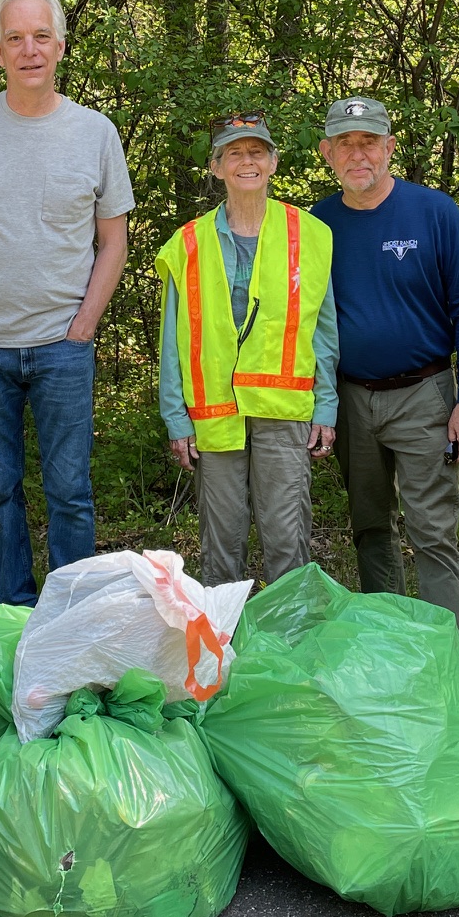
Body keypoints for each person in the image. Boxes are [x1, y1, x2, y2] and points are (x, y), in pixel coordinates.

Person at [0, 0, 133, 605]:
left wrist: (85, 323)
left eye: (41, 36)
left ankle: (70, 614)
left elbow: (114, 241)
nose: (29, 49)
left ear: (61, 46)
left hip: (63, 345)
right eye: (14, 38)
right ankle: (15, 610)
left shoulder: (95, 132)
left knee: (70, 492)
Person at [312, 97, 459, 633]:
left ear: (389, 147)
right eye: (345, 143)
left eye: (369, 142)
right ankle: (388, 647)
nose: (357, 153)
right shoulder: (317, 224)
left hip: (424, 394)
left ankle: (443, 657)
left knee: (432, 529)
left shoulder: (434, 212)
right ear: (326, 153)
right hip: (350, 397)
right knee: (369, 525)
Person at [156, 113, 339, 586]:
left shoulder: (310, 234)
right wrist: (176, 416)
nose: (247, 161)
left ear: (273, 162)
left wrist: (326, 406)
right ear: (216, 167)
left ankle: (290, 628)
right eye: (234, 153)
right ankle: (222, 630)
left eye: (257, 151)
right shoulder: (187, 243)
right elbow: (172, 339)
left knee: (287, 539)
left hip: (284, 408)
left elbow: (323, 330)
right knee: (221, 543)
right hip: (214, 412)